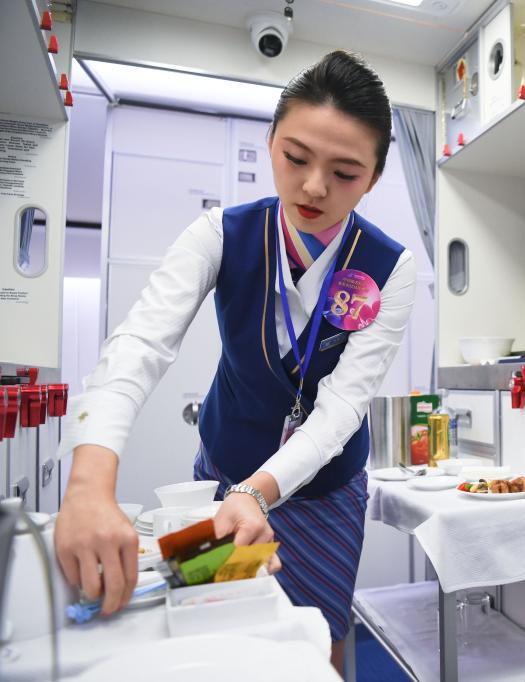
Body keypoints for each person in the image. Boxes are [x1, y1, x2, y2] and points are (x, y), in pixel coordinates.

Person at [54, 50, 415, 672]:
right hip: (227, 472)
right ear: (271, 141)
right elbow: (140, 344)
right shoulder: (220, 235)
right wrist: (88, 485)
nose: (314, 187)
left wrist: (258, 491)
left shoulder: (390, 267)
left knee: (320, 634)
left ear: (374, 178)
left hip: (326, 490)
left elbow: (341, 409)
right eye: (295, 158)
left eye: (345, 173)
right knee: (218, 625)